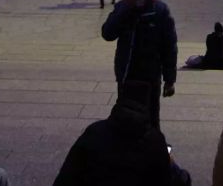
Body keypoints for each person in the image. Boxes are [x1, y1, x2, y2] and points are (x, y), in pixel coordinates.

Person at [53, 80, 190, 186]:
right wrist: (171, 162)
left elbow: (65, 178)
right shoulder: (155, 141)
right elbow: (180, 181)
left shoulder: (94, 132)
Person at [102, 0, 178, 130]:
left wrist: (169, 80)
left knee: (151, 120)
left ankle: (153, 152)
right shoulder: (122, 7)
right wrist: (125, 10)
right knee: (124, 121)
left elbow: (169, 47)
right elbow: (107, 34)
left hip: (150, 78)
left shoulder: (159, 11)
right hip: (126, 75)